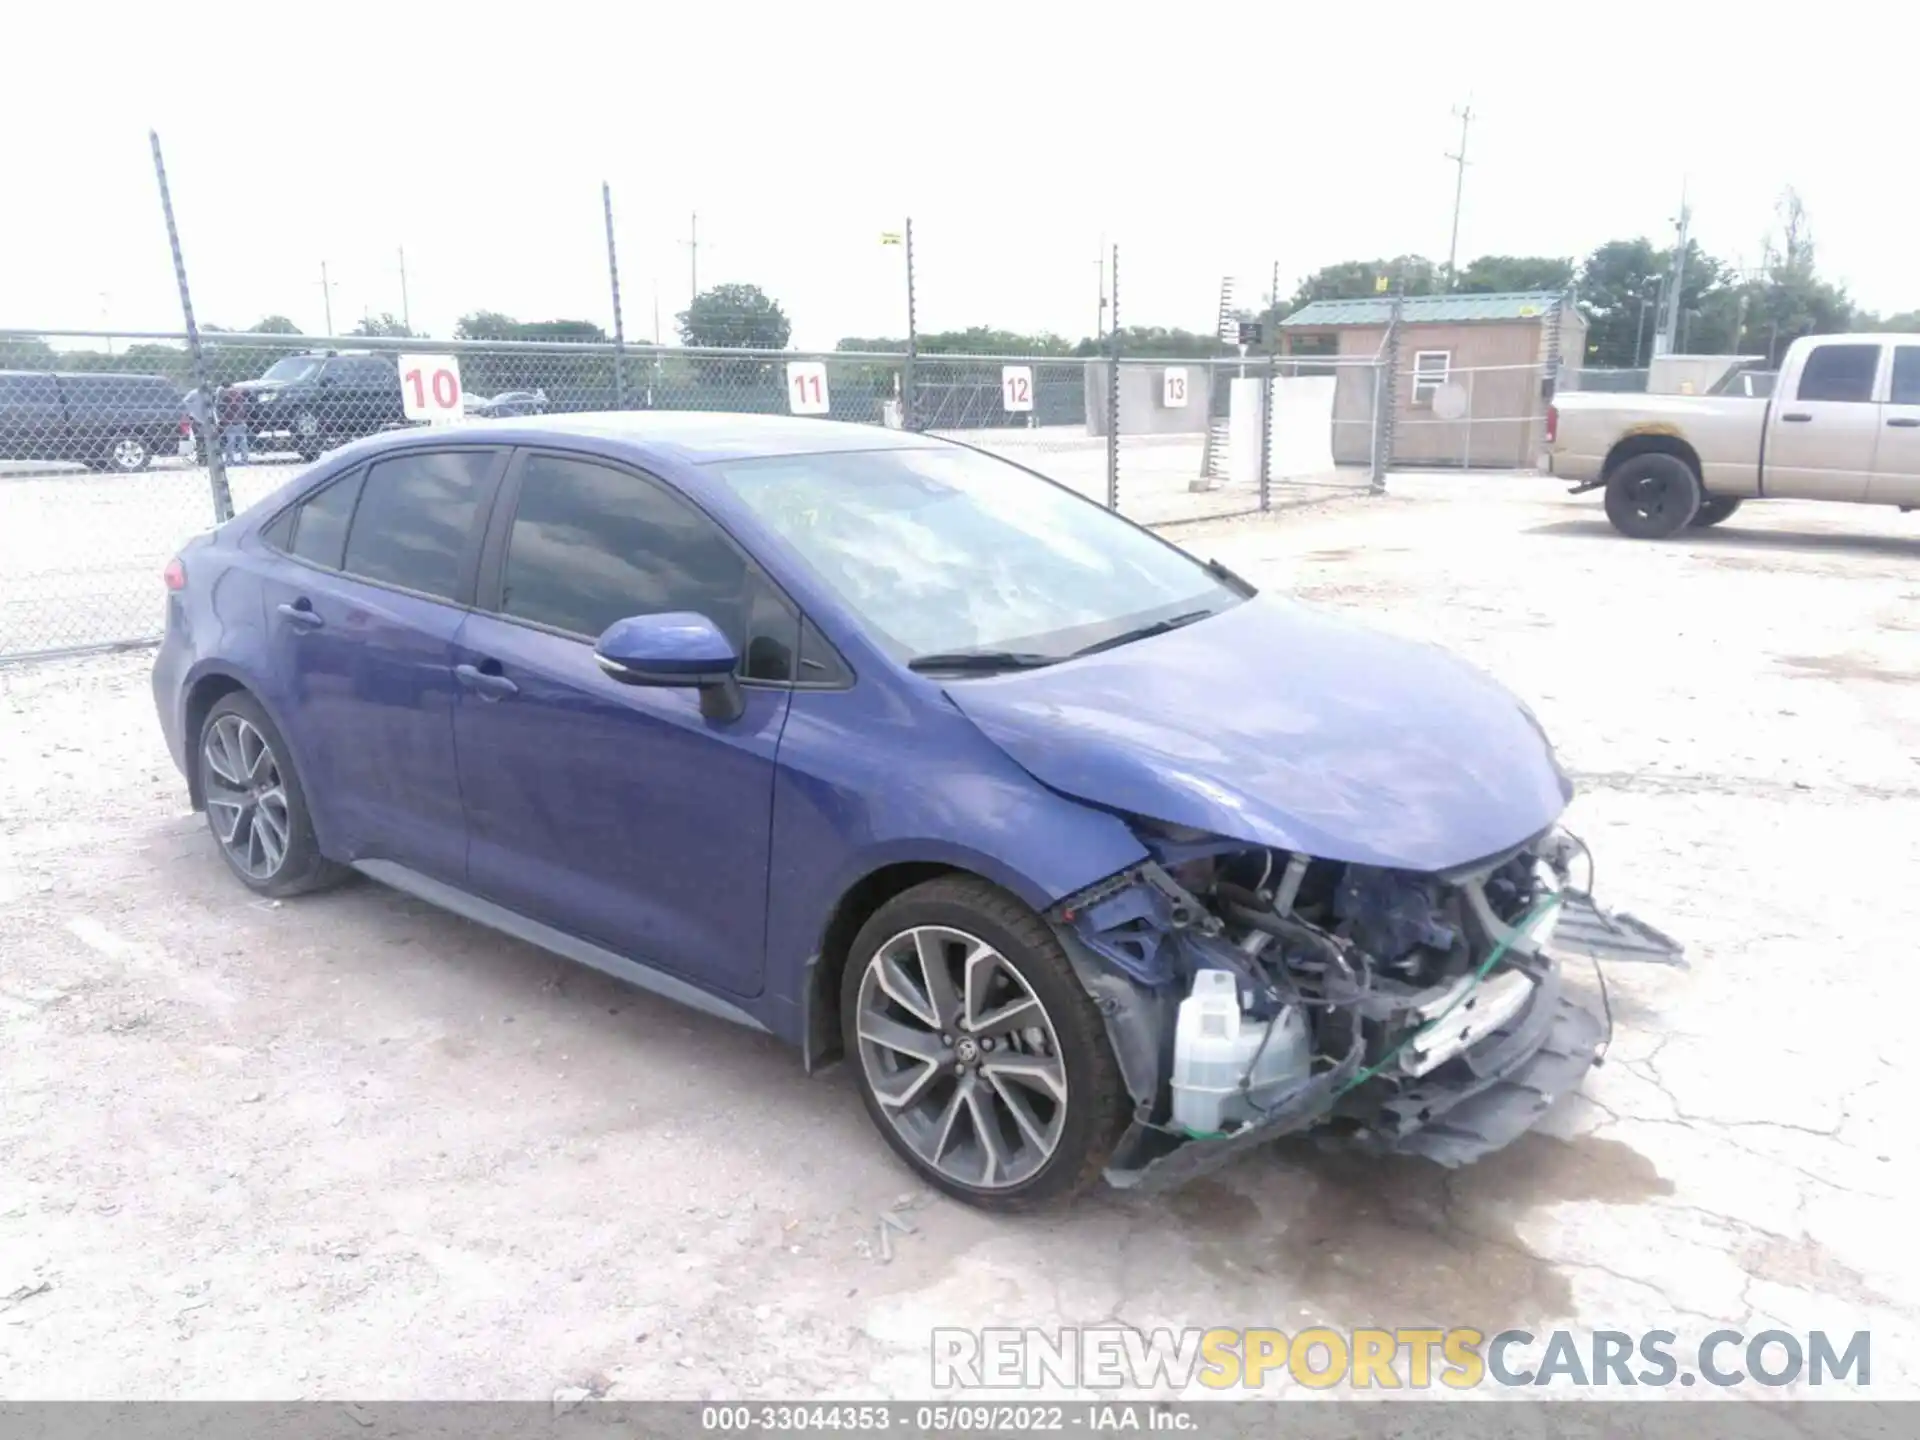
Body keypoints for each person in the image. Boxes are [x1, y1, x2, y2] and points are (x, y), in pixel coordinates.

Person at [216, 385, 250, 466]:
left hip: (231, 422)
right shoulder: (238, 396)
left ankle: (230, 460)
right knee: (241, 442)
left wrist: (223, 421)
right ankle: (243, 459)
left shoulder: (226, 397)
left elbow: (222, 411)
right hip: (238, 422)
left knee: (232, 442)